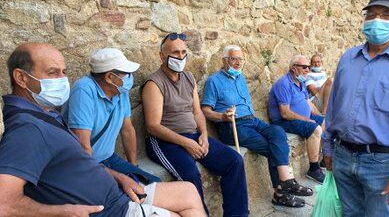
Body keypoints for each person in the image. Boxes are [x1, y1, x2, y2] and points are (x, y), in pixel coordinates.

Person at [0, 42, 206, 217]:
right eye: (53, 73)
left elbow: (85, 156)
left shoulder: (45, 113)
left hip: (111, 187)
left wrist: (121, 176)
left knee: (188, 191)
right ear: (21, 78)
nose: (63, 80)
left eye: (64, 72)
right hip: (112, 208)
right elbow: (4, 203)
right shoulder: (26, 128)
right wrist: (62, 211)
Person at [323, 0, 389, 217]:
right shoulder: (348, 58)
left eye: (387, 15)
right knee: (350, 214)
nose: (377, 20)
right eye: (372, 14)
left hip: (383, 164)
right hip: (343, 155)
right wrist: (328, 147)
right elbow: (334, 107)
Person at [142, 33, 248, 217]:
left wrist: (204, 135)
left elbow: (198, 112)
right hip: (164, 142)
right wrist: (186, 143)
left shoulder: (189, 77)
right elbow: (153, 126)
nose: (181, 56)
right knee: (191, 175)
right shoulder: (154, 83)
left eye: (183, 51)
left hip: (192, 135)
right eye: (175, 52)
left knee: (234, 161)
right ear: (162, 55)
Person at [201, 45, 313, 208]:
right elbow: (205, 111)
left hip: (252, 120)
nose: (238, 63)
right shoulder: (214, 81)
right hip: (231, 125)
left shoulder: (240, 77)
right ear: (224, 60)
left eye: (241, 59)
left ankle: (285, 184)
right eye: (234, 59)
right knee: (273, 147)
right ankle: (282, 189)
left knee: (277, 131)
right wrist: (223, 116)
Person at [62, 48, 160, 185]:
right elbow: (83, 146)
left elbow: (127, 130)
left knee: (154, 184)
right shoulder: (83, 90)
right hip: (87, 163)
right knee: (131, 194)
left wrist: (133, 168)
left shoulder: (120, 90)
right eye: (126, 74)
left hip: (109, 158)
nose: (130, 77)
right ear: (109, 77)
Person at [268, 55, 325, 183]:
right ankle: (314, 169)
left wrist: (320, 116)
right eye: (304, 67)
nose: (307, 70)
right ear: (294, 68)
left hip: (299, 117)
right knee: (315, 129)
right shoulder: (284, 84)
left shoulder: (301, 82)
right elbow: (285, 113)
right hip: (283, 121)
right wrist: (307, 120)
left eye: (308, 67)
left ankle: (323, 160)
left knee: (325, 122)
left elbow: (309, 104)